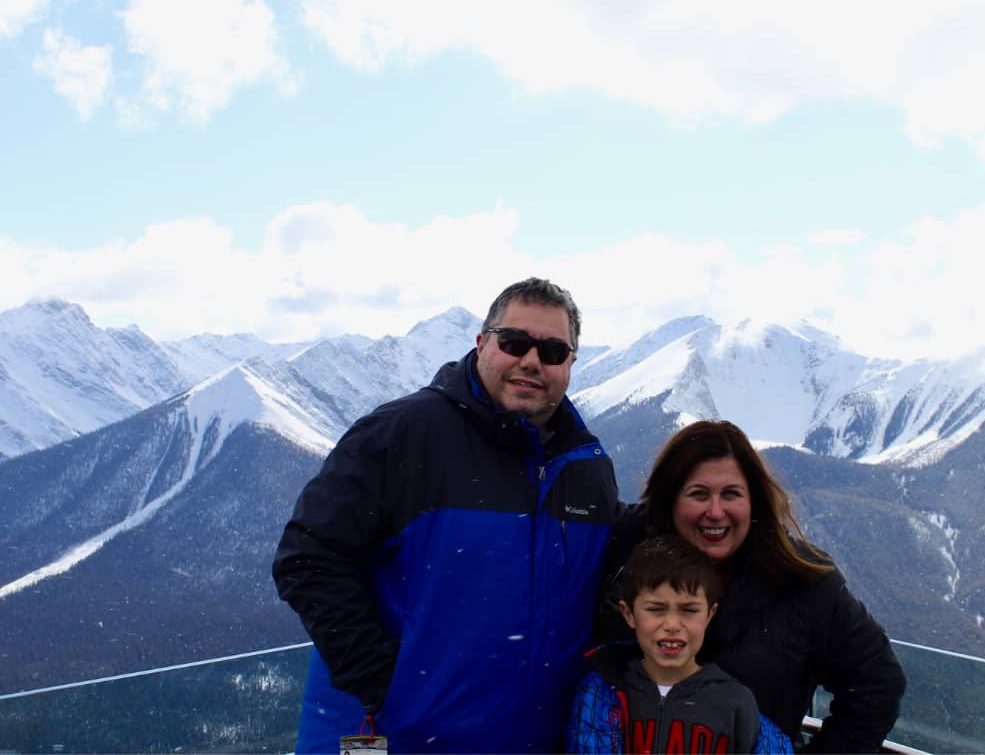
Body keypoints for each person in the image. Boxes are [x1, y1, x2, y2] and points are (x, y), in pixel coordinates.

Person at [272, 277, 619, 753]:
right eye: (514, 342)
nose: (532, 361)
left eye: (553, 351)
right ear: (481, 344)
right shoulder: (402, 435)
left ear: (571, 364)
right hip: (382, 737)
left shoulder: (586, 468)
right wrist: (390, 691)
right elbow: (309, 557)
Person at [595, 420, 906, 753]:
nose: (715, 512)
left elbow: (877, 683)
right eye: (699, 494)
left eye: (731, 494)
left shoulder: (803, 580)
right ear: (671, 500)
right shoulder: (629, 557)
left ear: (754, 501)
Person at [568, 534, 792, 754]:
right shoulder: (601, 693)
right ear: (629, 614)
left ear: (710, 614)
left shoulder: (736, 704)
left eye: (689, 610)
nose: (672, 624)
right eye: (656, 609)